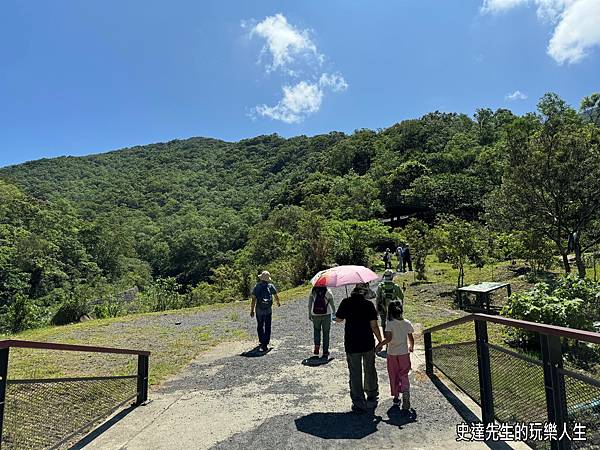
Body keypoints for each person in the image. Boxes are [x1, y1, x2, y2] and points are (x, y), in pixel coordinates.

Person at [335, 282, 384, 413]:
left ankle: (358, 401)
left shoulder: (346, 302)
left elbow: (338, 319)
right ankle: (372, 394)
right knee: (370, 369)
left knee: (355, 372)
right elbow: (374, 325)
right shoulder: (368, 305)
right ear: (365, 292)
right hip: (367, 342)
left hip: (352, 343)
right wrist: (380, 341)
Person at [375, 300, 414, 410]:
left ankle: (396, 397)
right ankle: (405, 390)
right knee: (404, 373)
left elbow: (389, 339)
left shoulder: (389, 323)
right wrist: (411, 346)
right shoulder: (407, 323)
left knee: (394, 375)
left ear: (390, 312)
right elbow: (411, 337)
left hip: (392, 353)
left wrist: (379, 345)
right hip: (404, 353)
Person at [251, 271, 281, 352]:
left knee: (260, 325)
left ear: (261, 278)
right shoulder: (270, 286)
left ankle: (261, 341)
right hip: (268, 310)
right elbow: (275, 295)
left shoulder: (257, 286)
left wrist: (252, 310)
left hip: (259, 310)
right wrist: (278, 302)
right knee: (268, 326)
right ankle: (266, 343)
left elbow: (253, 299)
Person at [308, 286, 336, 357]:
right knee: (326, 333)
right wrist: (334, 313)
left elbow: (310, 304)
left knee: (316, 330)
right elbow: (332, 304)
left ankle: (317, 346)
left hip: (315, 314)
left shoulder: (313, 291)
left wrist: (309, 314)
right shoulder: (328, 291)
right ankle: (325, 351)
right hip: (326, 314)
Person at [376, 269, 404, 334]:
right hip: (393, 309)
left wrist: (377, 309)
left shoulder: (380, 286)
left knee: (383, 323)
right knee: (393, 322)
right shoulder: (395, 286)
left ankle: (386, 339)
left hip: (383, 308)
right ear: (392, 276)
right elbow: (401, 297)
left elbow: (378, 298)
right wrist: (402, 291)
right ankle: (394, 337)